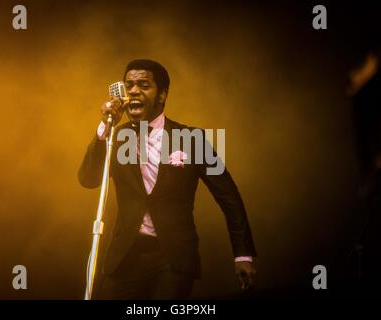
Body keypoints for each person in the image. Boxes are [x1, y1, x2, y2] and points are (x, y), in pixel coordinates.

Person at [78, 59, 257, 299]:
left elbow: (229, 197)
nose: (133, 91)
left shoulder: (192, 139)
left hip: (172, 257)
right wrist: (103, 128)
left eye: (143, 85)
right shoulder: (117, 136)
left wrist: (242, 254)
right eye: (128, 85)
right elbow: (88, 179)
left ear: (162, 95)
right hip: (126, 257)